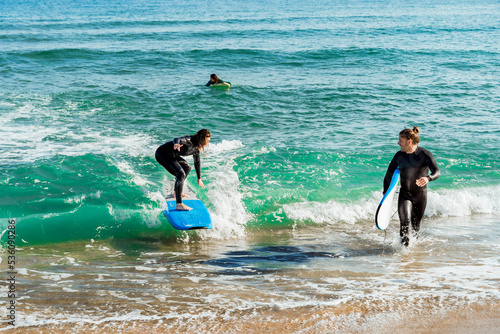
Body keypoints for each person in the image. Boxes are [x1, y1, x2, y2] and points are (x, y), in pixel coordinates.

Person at [383, 127, 440, 247]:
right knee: (404, 222)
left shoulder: (425, 154)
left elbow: (437, 172)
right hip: (405, 194)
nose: (398, 143)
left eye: (400, 140)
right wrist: (385, 193)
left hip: (420, 196)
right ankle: (403, 250)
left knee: (415, 226)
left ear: (409, 141)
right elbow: (389, 175)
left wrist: (428, 178)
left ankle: (413, 254)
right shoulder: (399, 156)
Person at [155, 129, 211, 211]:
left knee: (187, 167)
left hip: (172, 156)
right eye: (206, 141)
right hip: (162, 154)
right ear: (201, 139)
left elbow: (197, 162)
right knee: (181, 174)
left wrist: (199, 178)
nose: (207, 144)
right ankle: (179, 204)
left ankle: (176, 192)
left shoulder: (196, 148)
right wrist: (177, 144)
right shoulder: (189, 140)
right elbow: (176, 139)